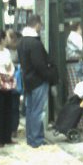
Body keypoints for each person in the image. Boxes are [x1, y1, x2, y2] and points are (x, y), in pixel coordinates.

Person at [18, 15, 53, 148]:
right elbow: (40, 65)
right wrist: (49, 74)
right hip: (38, 80)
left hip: (27, 79)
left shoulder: (22, 42)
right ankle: (37, 139)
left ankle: (31, 138)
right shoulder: (35, 43)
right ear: (37, 24)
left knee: (30, 110)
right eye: (40, 25)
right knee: (38, 111)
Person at [65, 21, 83, 98]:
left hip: (73, 64)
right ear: (79, 27)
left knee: (74, 86)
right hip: (75, 64)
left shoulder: (72, 35)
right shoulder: (75, 36)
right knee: (77, 87)